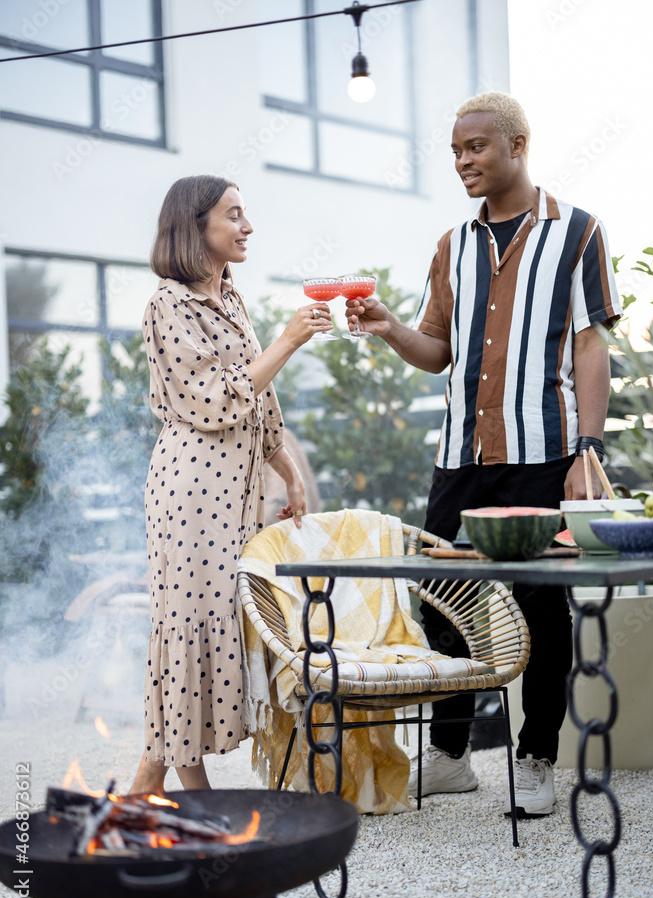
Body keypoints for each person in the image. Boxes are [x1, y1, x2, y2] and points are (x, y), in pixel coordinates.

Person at [345, 92, 621, 817]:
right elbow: (436, 352)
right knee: (442, 602)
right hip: (460, 456)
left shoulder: (578, 233)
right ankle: (450, 755)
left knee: (539, 606)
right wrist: (386, 327)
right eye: (455, 151)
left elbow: (592, 346)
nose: (463, 161)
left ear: (517, 145)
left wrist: (586, 449)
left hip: (543, 452)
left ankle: (534, 757)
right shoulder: (451, 246)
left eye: (476, 148)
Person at [128, 175, 333, 794]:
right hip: (191, 490)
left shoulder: (232, 300)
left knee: (216, 619)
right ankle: (178, 787)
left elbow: (259, 400)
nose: (247, 227)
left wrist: (289, 472)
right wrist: (290, 339)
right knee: (188, 623)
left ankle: (154, 786)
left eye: (246, 214)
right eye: (234, 215)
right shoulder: (167, 305)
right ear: (195, 228)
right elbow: (217, 400)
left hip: (236, 493)